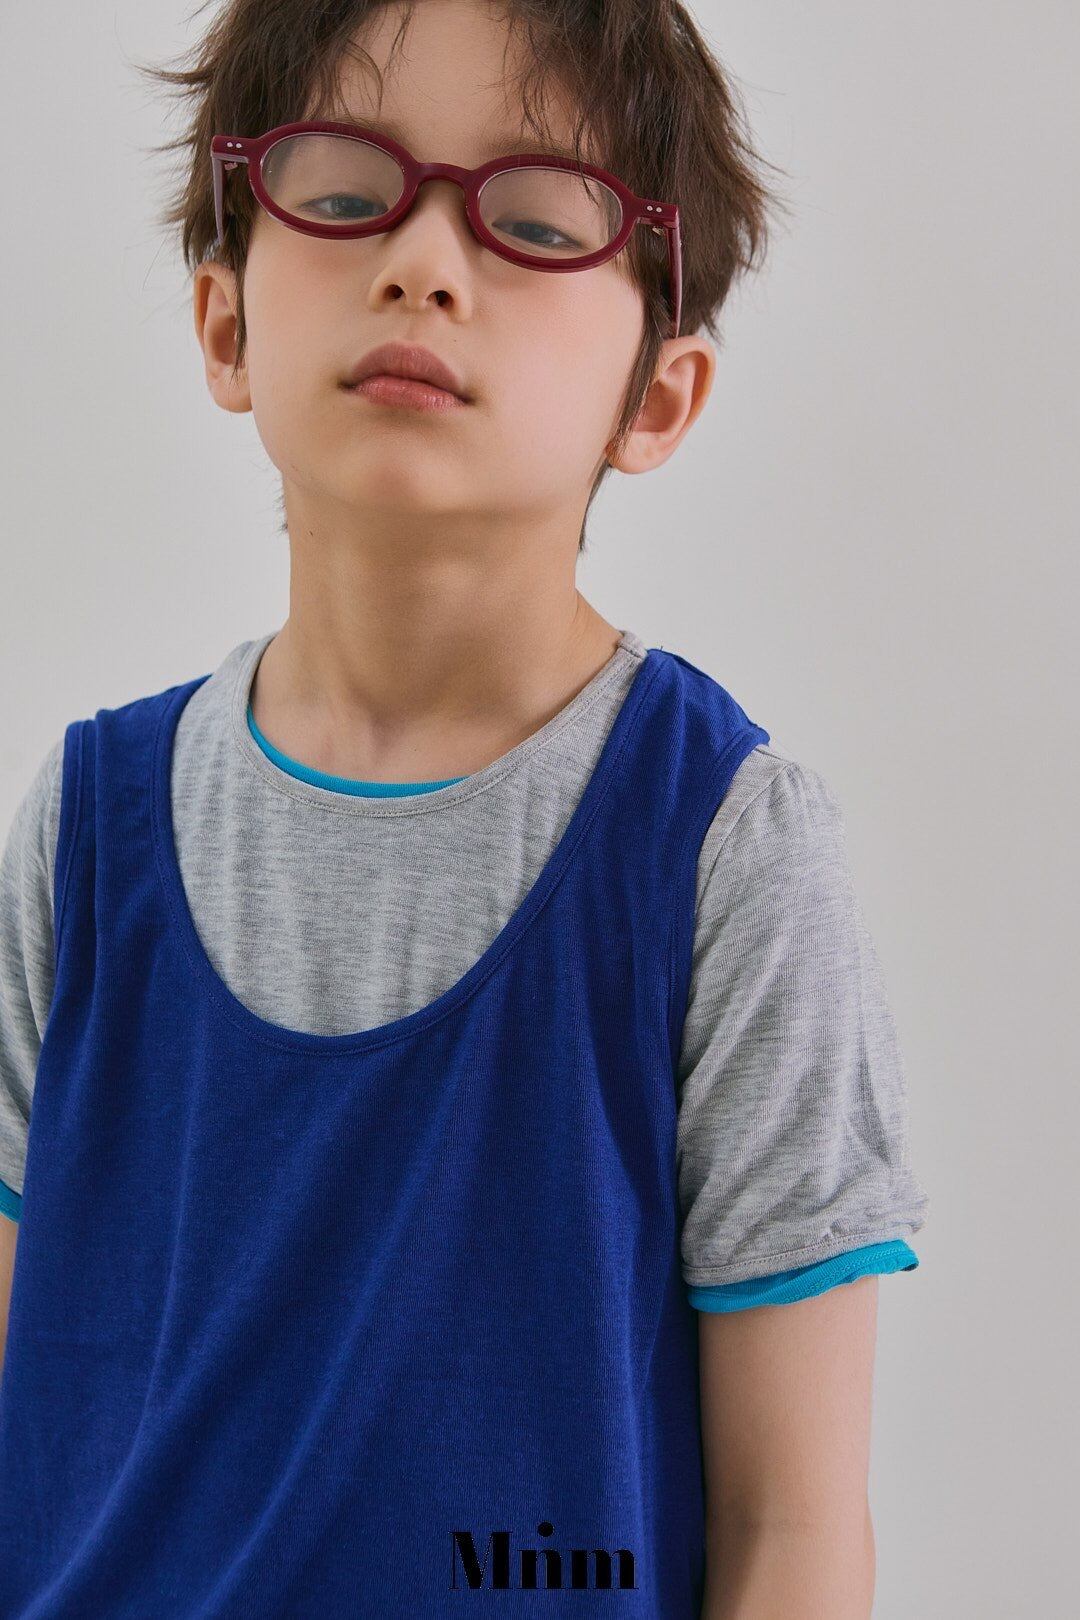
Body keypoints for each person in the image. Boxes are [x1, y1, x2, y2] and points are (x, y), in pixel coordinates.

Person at [0, 0, 930, 1613]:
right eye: (343, 192)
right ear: (222, 324)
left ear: (660, 397)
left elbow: (791, 1527)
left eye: (540, 222)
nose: (425, 263)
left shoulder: (724, 844)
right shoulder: (86, 831)